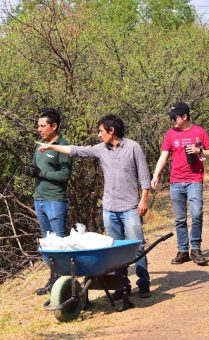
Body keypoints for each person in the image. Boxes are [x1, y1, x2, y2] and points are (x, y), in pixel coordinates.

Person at [36, 114, 152, 299]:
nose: (98, 135)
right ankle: (121, 286)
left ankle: (143, 283)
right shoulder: (100, 149)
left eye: (101, 131)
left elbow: (145, 177)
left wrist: (143, 200)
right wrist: (51, 146)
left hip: (130, 207)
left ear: (111, 131)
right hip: (109, 208)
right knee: (115, 251)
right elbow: (76, 150)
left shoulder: (133, 147)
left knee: (136, 246)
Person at [151, 102, 209, 266]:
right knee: (180, 219)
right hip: (176, 181)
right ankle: (182, 250)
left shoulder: (199, 132)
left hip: (194, 179)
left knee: (196, 214)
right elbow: (163, 156)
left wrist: (199, 151)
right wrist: (156, 174)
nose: (172, 120)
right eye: (171, 117)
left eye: (174, 117)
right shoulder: (170, 134)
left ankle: (196, 249)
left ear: (184, 116)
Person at [25, 108, 72, 295]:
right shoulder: (39, 145)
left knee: (59, 243)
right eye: (38, 125)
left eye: (42, 126)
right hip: (40, 199)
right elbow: (37, 168)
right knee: (47, 242)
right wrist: (31, 170)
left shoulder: (63, 146)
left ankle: (64, 283)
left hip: (55, 200)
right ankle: (53, 279)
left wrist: (41, 173)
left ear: (54, 126)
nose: (39, 129)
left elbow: (64, 175)